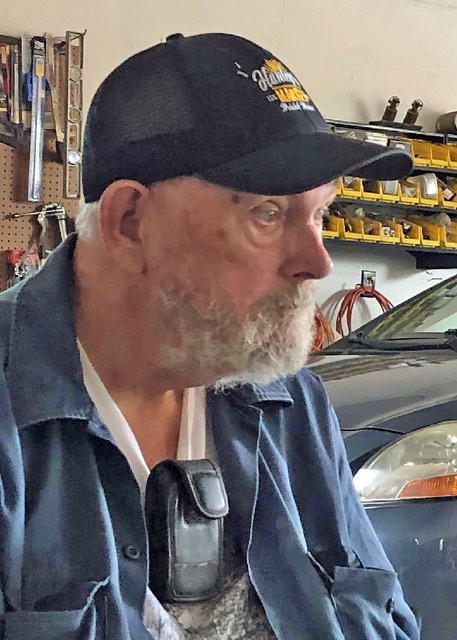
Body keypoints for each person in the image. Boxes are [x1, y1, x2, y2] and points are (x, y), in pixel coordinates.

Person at [0, 32, 419, 640]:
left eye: (319, 215)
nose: (318, 262)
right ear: (130, 222)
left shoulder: (291, 406)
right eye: (267, 215)